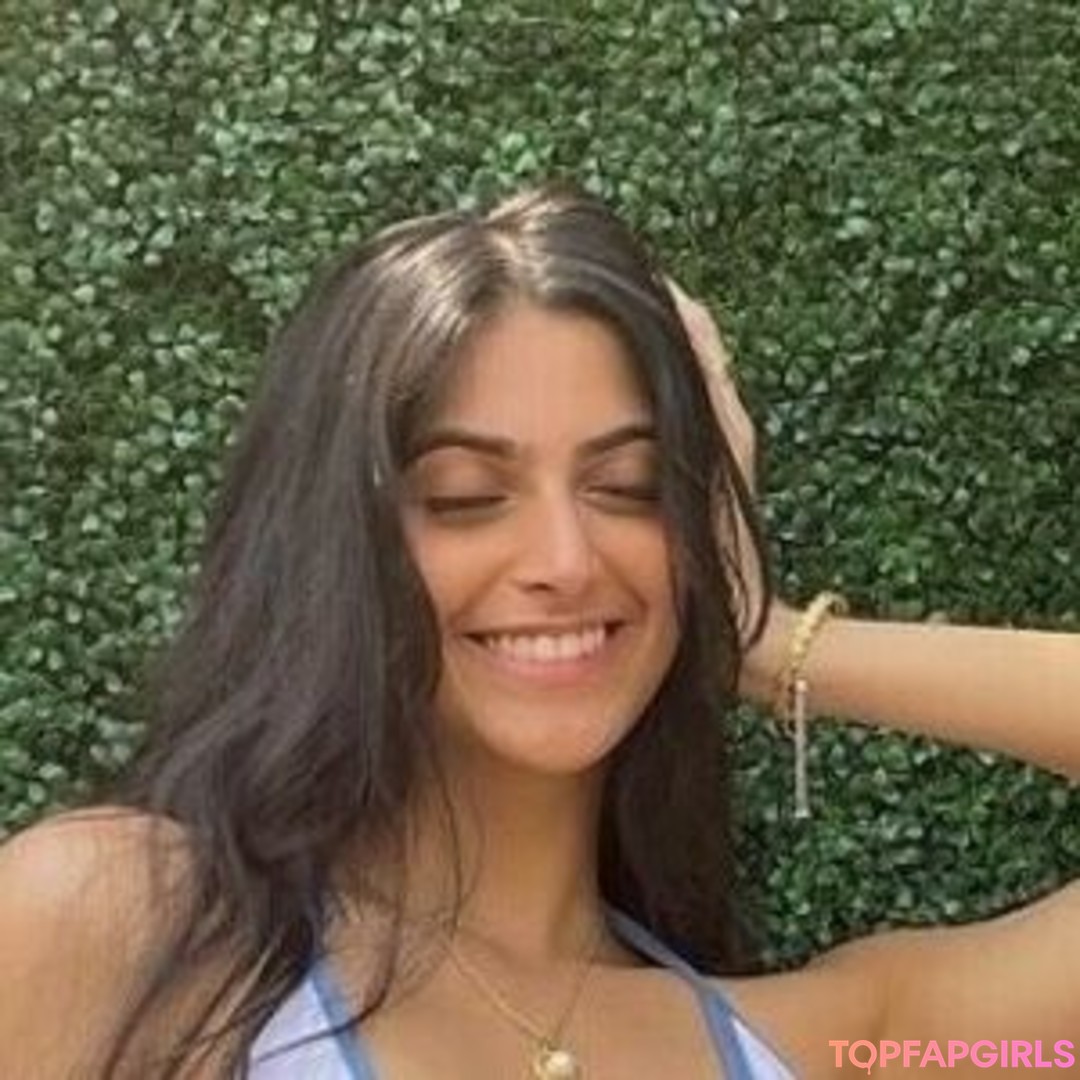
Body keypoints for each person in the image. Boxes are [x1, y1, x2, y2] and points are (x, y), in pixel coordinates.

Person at [0, 183, 1077, 1079]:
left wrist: (758, 635)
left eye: (629, 487)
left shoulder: (840, 1046)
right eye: (466, 497)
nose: (565, 559)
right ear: (339, 547)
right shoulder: (131, 933)